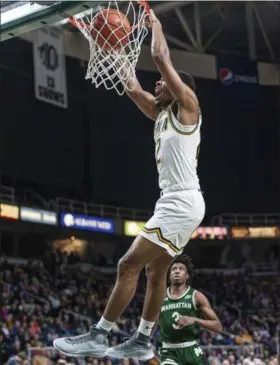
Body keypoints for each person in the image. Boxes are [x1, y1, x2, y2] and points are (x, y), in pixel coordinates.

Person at [53, 9, 205, 360]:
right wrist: (113, 49)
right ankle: (141, 340)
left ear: (180, 88)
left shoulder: (189, 108)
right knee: (155, 272)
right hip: (176, 202)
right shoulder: (162, 113)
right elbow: (132, 85)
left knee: (127, 264)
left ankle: (100, 334)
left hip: (180, 203)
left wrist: (156, 24)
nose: (157, 82)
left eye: (163, 82)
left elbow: (159, 55)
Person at [109, 255, 221, 365]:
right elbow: (153, 321)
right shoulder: (160, 297)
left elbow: (218, 326)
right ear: (169, 275)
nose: (177, 271)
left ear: (187, 275)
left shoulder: (196, 296)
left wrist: (195, 320)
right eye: (174, 269)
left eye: (181, 269)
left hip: (191, 349)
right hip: (168, 351)